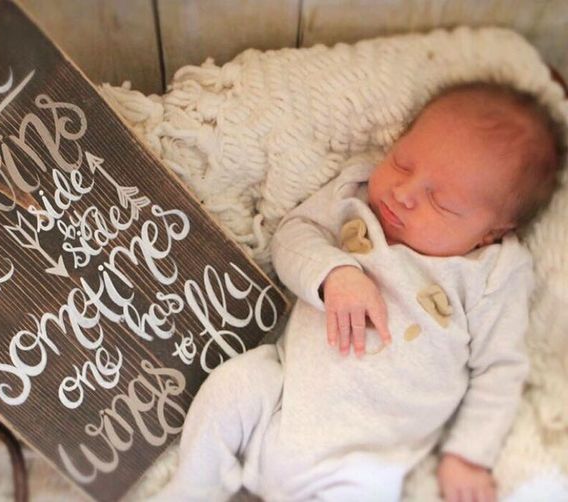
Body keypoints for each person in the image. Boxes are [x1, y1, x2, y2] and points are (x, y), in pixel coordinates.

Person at [150, 81, 566, 502]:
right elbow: (292, 235)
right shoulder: (356, 197)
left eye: (440, 204)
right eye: (402, 163)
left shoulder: (492, 274)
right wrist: (334, 273)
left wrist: (469, 455)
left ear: (488, 233)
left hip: (363, 460)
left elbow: (499, 369)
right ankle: (194, 488)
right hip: (278, 402)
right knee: (236, 383)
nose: (402, 193)